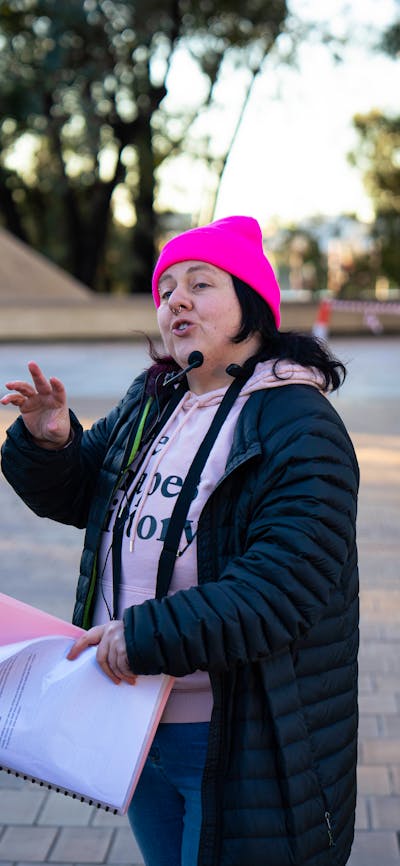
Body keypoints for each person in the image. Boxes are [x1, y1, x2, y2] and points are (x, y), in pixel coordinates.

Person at [1, 215, 359, 866]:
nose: (177, 301)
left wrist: (141, 636)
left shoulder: (297, 422)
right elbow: (86, 494)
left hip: (238, 738)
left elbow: (282, 589)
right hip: (133, 725)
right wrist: (50, 442)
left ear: (252, 304)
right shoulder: (155, 397)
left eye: (201, 283)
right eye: (166, 289)